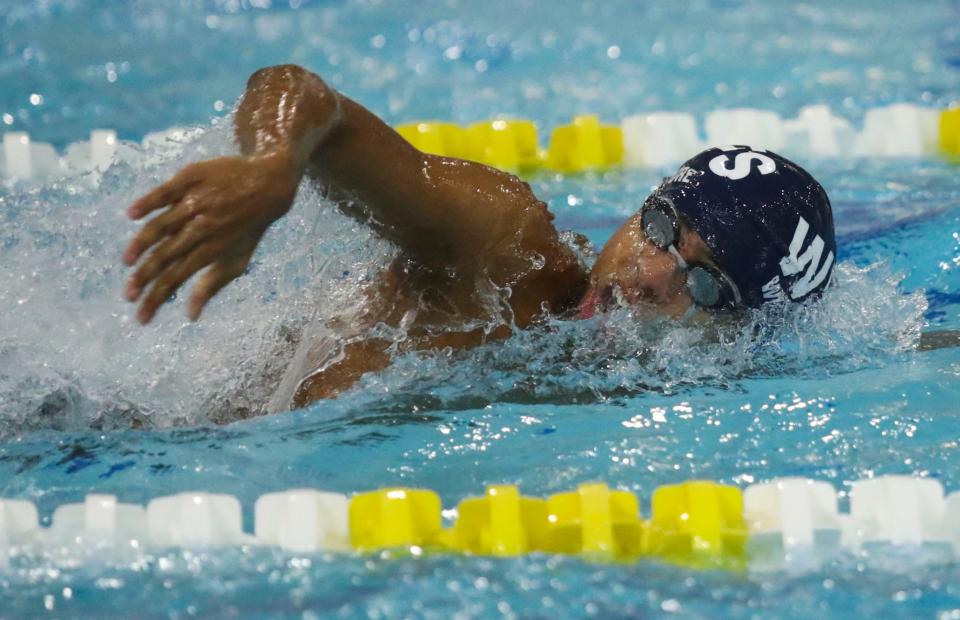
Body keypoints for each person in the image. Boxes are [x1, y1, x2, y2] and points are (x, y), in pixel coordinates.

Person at [122, 64, 837, 410]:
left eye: (704, 284)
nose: (651, 275)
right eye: (658, 228)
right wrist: (271, 167)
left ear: (734, 331)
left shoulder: (677, 381)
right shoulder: (505, 253)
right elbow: (301, 94)